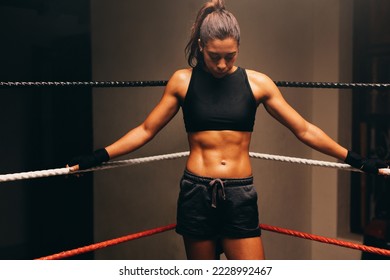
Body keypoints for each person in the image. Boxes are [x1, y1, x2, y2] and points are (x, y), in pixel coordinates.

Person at [68, 0, 389, 260]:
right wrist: (99, 156)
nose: (222, 65)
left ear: (238, 47)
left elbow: (304, 130)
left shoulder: (258, 83)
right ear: (200, 45)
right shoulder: (182, 81)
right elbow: (145, 130)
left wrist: (356, 159)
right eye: (213, 57)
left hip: (238, 195)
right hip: (195, 193)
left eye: (230, 56)